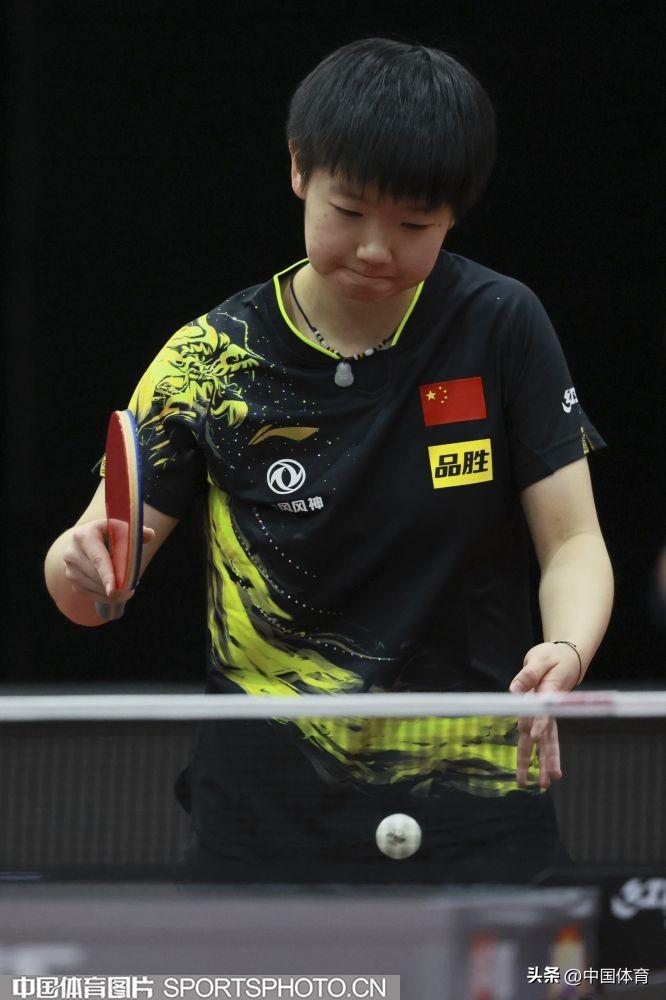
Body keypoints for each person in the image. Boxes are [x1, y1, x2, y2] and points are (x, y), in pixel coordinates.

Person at [44, 38, 614, 884]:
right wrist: (80, 567)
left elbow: (573, 543)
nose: (377, 249)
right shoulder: (210, 362)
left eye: (414, 224)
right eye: (348, 211)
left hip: (475, 794)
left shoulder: (500, 325)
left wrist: (565, 648)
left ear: (454, 212)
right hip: (266, 810)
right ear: (299, 170)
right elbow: (90, 588)